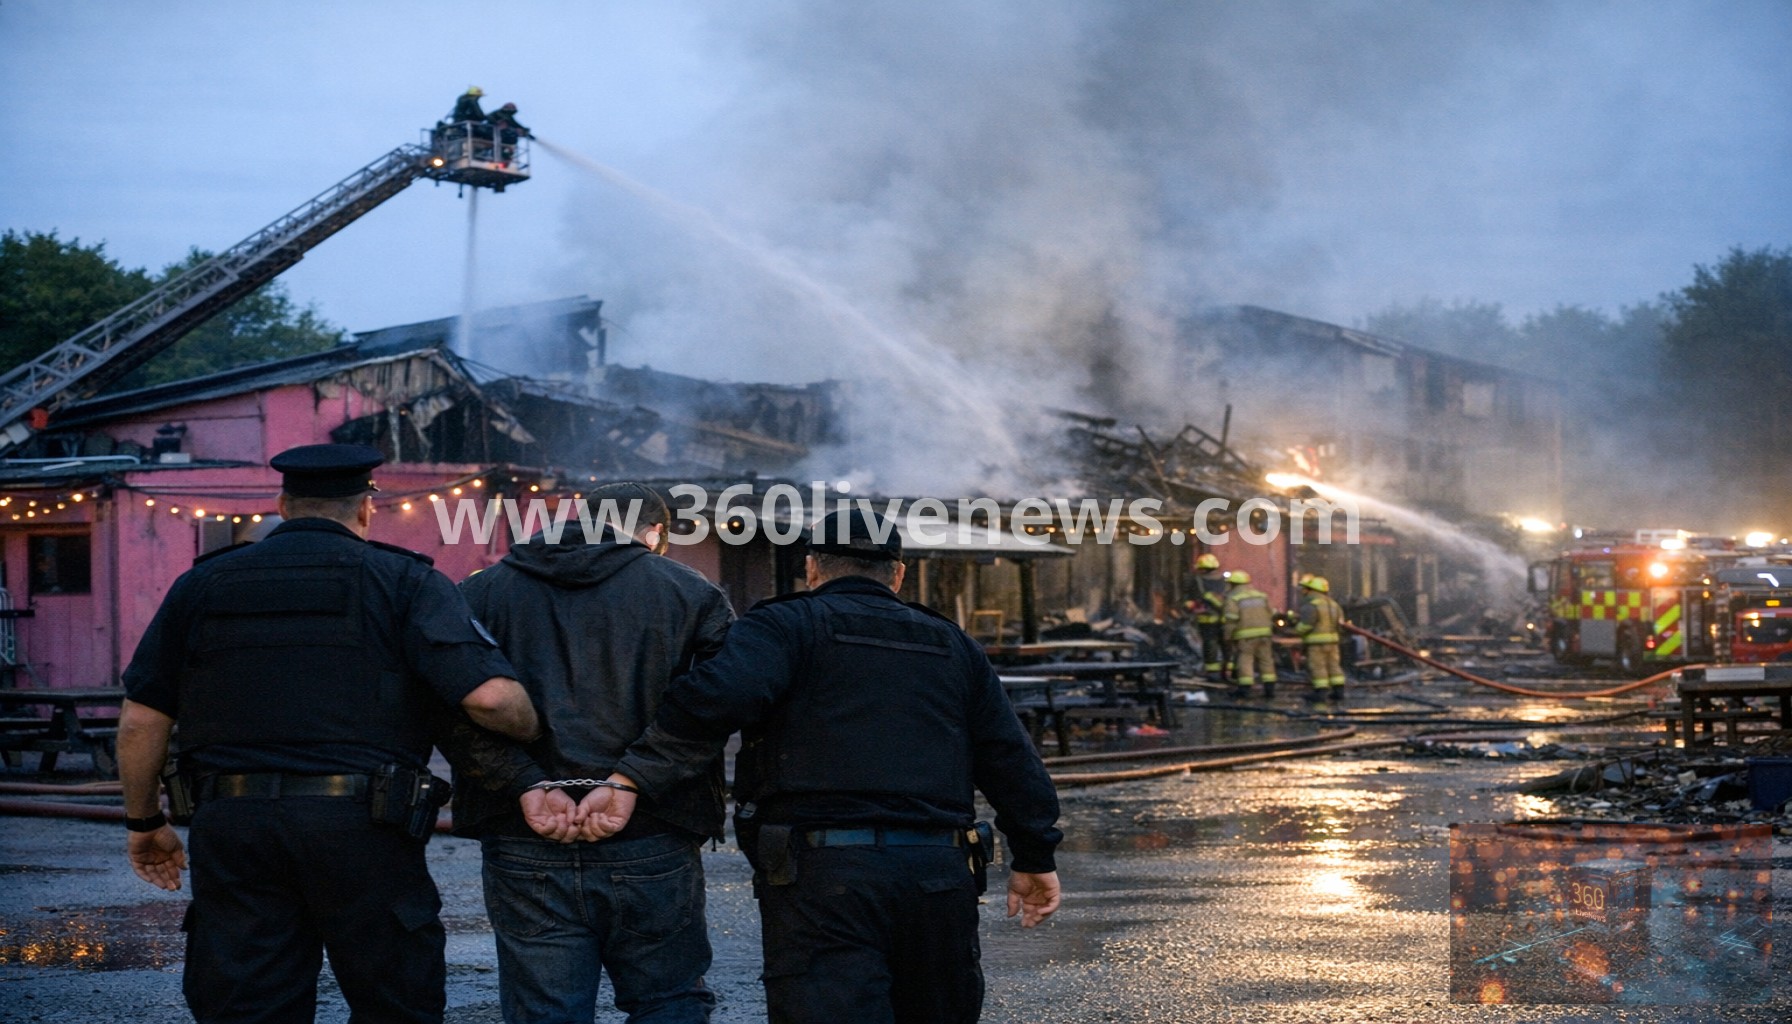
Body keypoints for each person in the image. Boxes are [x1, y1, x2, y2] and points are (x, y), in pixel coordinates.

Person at [115, 443, 541, 1024]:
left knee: (247, 1006)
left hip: (234, 826)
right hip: (365, 827)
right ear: (365, 508)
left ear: (283, 505)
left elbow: (142, 720)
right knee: (397, 1002)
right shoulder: (403, 580)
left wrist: (145, 823)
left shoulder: (204, 584)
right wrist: (530, 721)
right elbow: (490, 700)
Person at [586, 508, 1063, 1024]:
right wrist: (1035, 856)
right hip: (938, 876)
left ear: (812, 568)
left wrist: (630, 776)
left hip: (821, 877)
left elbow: (708, 703)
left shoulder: (783, 626)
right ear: (897, 573)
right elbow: (1010, 757)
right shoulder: (952, 643)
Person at [440, 482, 734, 1024]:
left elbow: (448, 706)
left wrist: (525, 783)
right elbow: (717, 706)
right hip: (653, 830)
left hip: (524, 830)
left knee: (545, 1012)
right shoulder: (690, 593)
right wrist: (630, 781)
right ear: (654, 534)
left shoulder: (480, 592)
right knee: (668, 1002)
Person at [1222, 569, 1277, 699]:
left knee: (1245, 660)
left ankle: (1244, 689)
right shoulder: (1261, 596)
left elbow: (1231, 620)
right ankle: (1270, 690)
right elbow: (1272, 614)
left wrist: (1227, 636)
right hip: (1265, 635)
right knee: (1266, 660)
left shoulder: (1233, 598)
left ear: (1233, 584)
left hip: (1245, 636)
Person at [1295, 575, 1347, 703]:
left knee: (1318, 666)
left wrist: (1296, 629)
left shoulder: (1312, 605)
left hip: (1316, 643)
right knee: (1334, 666)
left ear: (1312, 590)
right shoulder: (1334, 605)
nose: (1304, 591)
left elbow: (1307, 625)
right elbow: (1341, 624)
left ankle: (1320, 693)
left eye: (1306, 589)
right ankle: (1338, 692)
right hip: (1333, 642)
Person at [1190, 552, 1230, 680]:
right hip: (1225, 619)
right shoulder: (1225, 580)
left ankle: (1213, 673)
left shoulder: (1197, 580)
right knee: (1227, 646)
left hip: (1207, 620)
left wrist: (1192, 606)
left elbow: (1191, 599)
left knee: (1210, 646)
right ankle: (1229, 672)